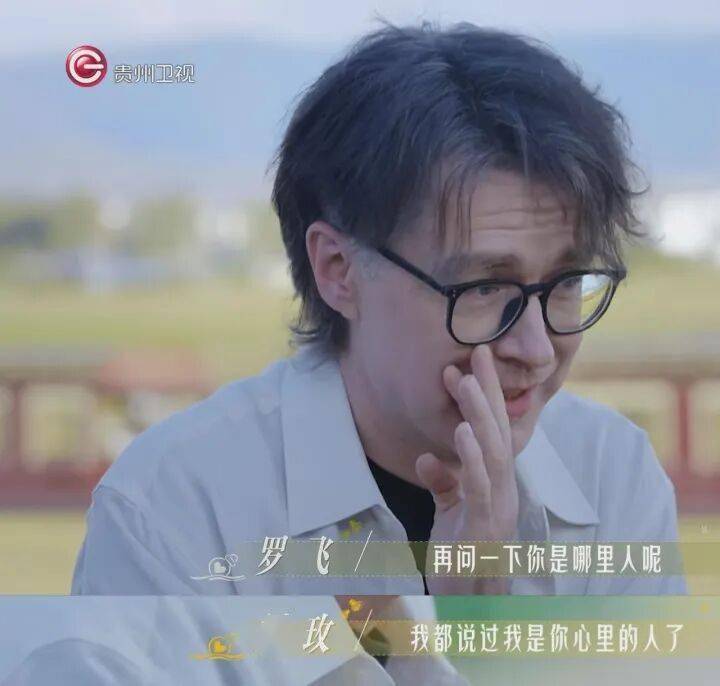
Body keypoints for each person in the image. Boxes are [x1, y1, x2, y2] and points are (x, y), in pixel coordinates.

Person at [72, 20, 685, 598]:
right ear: (338, 269)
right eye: (484, 289)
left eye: (567, 282)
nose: (537, 349)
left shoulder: (611, 477)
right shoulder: (175, 515)